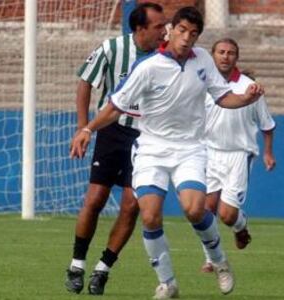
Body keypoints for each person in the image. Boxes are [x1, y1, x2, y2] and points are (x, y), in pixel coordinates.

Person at [70, 7, 264, 299]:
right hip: (151, 149)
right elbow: (114, 106)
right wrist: (87, 130)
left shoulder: (203, 61)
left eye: (194, 33)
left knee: (194, 209)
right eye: (182, 30)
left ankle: (219, 261)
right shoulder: (148, 67)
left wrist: (246, 98)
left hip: (190, 149)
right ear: (171, 29)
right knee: (149, 216)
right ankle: (168, 283)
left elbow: (223, 97)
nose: (187, 38)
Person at [65, 2, 167, 295]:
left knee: (131, 205)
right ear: (140, 28)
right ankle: (77, 264)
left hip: (147, 137)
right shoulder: (113, 49)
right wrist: (83, 127)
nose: (165, 31)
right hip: (112, 130)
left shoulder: (168, 55)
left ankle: (102, 269)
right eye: (159, 26)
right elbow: (85, 82)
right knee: (95, 198)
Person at [200, 38, 276, 273]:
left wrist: (268, 153)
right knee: (205, 208)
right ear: (213, 55)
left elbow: (267, 125)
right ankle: (211, 259)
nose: (225, 56)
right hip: (208, 151)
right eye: (221, 52)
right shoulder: (202, 84)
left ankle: (240, 227)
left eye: (230, 52)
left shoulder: (249, 87)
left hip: (238, 154)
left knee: (227, 214)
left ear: (236, 57)